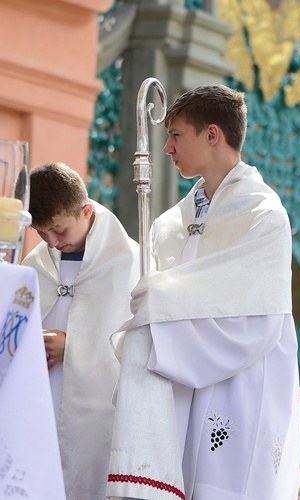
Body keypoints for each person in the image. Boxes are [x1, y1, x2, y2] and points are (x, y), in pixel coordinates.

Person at [106, 84, 300, 500]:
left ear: (212, 135)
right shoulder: (168, 224)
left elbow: (254, 311)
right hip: (178, 380)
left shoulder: (263, 215)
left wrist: (161, 297)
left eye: (176, 135)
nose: (167, 149)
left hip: (240, 383)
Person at [21, 161, 140, 500]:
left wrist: (72, 348)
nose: (53, 243)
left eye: (59, 230)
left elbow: (135, 345)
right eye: (42, 234)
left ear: (86, 211)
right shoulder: (35, 263)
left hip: (98, 417)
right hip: (42, 407)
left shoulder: (128, 263)